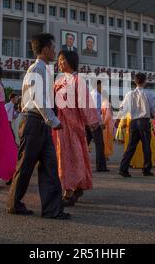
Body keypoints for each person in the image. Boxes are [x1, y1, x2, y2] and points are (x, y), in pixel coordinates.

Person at [7, 33, 70, 220]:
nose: (54, 51)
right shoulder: (37, 69)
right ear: (44, 49)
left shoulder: (42, 69)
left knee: (50, 166)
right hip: (35, 121)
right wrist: (54, 121)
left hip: (39, 122)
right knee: (25, 165)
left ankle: (52, 209)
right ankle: (13, 203)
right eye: (52, 47)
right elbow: (39, 99)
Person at [52, 50, 99, 206]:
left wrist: (92, 121)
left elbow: (85, 102)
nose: (60, 63)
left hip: (72, 125)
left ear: (71, 61)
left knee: (71, 156)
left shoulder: (78, 80)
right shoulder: (58, 80)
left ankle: (69, 191)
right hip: (58, 124)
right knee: (63, 156)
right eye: (59, 60)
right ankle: (75, 186)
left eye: (63, 60)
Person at [118, 73, 155, 177]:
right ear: (145, 81)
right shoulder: (148, 94)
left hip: (133, 122)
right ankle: (146, 170)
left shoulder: (129, 94)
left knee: (130, 146)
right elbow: (154, 108)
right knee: (146, 146)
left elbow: (122, 108)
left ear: (135, 81)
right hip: (144, 122)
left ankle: (123, 169)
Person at [87, 80, 109, 172]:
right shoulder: (98, 96)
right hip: (94, 123)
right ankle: (100, 167)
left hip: (87, 122)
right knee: (100, 145)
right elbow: (96, 112)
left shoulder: (90, 94)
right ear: (98, 85)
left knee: (84, 144)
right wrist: (101, 123)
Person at [101, 90, 114, 159]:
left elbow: (108, 115)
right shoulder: (108, 103)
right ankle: (106, 155)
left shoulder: (105, 103)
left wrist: (104, 123)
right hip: (109, 124)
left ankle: (105, 155)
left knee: (105, 140)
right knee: (107, 140)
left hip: (106, 125)